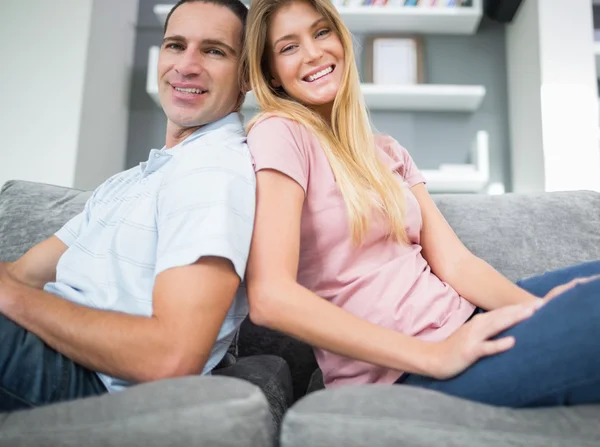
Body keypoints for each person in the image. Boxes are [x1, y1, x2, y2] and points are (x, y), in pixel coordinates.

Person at [241, 0, 600, 407]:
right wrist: (435, 356)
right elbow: (271, 297)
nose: (313, 52)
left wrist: (542, 312)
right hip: (408, 372)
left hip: (465, 322)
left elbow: (456, 264)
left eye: (321, 32)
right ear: (270, 70)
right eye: (289, 46)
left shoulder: (386, 151)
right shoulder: (280, 133)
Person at [0, 0, 255, 411]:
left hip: (88, 384)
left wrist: (11, 298)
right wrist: (10, 290)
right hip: (51, 351)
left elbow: (171, 356)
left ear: (246, 75)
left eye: (213, 50)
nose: (186, 66)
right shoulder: (138, 178)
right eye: (175, 45)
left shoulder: (215, 173)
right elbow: (21, 274)